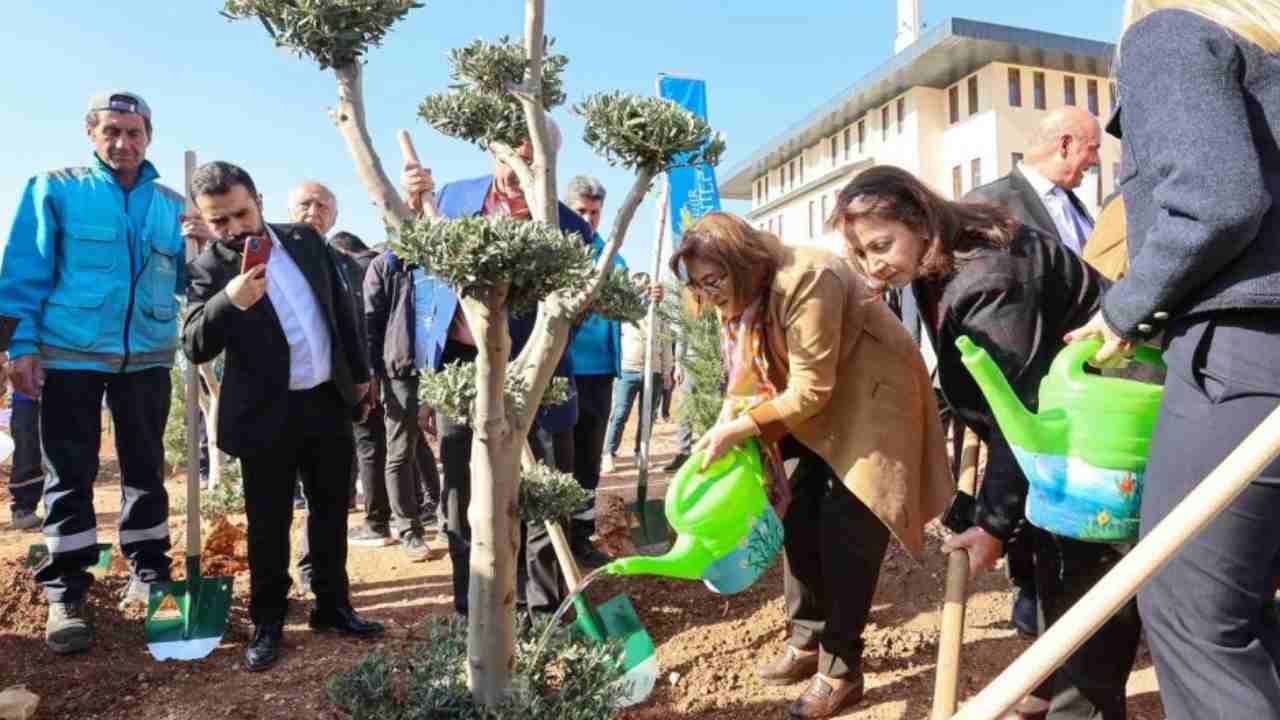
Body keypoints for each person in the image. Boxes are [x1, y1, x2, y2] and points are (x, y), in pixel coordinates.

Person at [835, 165, 1139, 720]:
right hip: (1062, 417)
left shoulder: (987, 277)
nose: (874, 264)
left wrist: (994, 524)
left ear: (918, 219)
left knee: (1083, 567)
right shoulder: (938, 257)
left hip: (1103, 422)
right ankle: (1049, 680)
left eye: (881, 245)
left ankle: (1081, 708)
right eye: (862, 254)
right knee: (1050, 553)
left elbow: (1019, 412)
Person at [1065, 3, 1280, 716]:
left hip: (1242, 355)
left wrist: (1124, 311)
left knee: (1194, 617)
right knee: (1246, 608)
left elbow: (1214, 200)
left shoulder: (1169, 30)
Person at [671, 212, 952, 719]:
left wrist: (740, 427)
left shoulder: (807, 278)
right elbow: (744, 380)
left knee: (848, 527)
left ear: (740, 262)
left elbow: (811, 389)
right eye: (696, 284)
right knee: (795, 513)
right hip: (810, 403)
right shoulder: (738, 295)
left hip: (871, 397)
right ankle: (806, 640)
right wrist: (721, 427)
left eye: (712, 281)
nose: (706, 293)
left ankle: (841, 670)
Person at [0, 91, 184, 654]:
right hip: (70, 356)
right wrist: (21, 348)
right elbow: (22, 273)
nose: (123, 143)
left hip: (149, 357)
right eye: (111, 131)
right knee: (70, 475)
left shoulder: (173, 204)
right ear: (91, 134)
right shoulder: (55, 188)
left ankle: (149, 573)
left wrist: (206, 248)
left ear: (149, 135)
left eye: (133, 132)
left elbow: (189, 281)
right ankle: (66, 592)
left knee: (147, 471)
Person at [183, 161, 383, 673]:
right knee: (269, 521)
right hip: (265, 414)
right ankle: (268, 619)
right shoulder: (210, 269)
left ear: (260, 202)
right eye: (219, 221)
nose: (233, 229)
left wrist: (359, 377)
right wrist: (231, 300)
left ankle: (333, 606)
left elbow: (341, 310)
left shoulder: (305, 240)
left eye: (240, 214)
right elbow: (194, 344)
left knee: (331, 507)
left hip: (325, 401)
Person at [398, 119, 590, 614]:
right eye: (509, 155)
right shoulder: (452, 199)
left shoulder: (570, 229)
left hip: (538, 370)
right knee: (464, 489)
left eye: (530, 158)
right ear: (492, 150)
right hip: (463, 369)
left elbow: (576, 315)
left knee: (543, 489)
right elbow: (425, 284)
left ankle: (544, 607)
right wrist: (412, 209)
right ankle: (475, 603)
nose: (516, 167)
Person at [964, 107, 1101, 637]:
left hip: (1084, 376)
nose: (1093, 160)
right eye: (1090, 149)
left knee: (1073, 487)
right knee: (1025, 476)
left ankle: (1076, 593)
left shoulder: (1078, 208)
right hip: (1024, 373)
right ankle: (1031, 592)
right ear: (1067, 144)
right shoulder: (990, 203)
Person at [565, 174, 625, 566]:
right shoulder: (555, 254)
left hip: (601, 373)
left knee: (588, 460)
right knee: (561, 462)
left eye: (595, 212)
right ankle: (554, 542)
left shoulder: (611, 254)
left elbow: (625, 299)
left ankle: (582, 538)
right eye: (581, 211)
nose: (588, 219)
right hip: (562, 373)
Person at [968, 107, 1101, 257]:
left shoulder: (1075, 204)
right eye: (1093, 149)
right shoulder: (986, 204)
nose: (1097, 160)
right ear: (1065, 145)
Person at [601, 272, 672, 473]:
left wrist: (667, 371)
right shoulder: (625, 313)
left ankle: (640, 453)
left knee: (647, 416)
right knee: (620, 413)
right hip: (628, 370)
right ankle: (609, 454)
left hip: (654, 372)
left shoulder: (662, 316)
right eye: (640, 286)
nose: (645, 289)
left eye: (647, 286)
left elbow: (666, 345)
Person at [8, 390, 44, 530]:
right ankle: (23, 509)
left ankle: (67, 508)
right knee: (26, 450)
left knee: (67, 448)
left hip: (68, 382)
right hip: (26, 392)